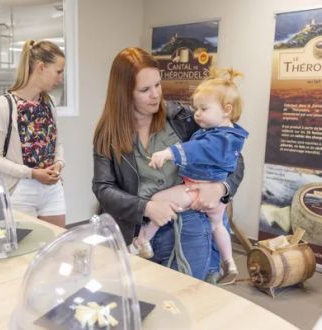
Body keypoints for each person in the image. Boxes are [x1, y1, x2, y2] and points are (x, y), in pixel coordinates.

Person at [92, 47, 245, 281]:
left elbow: (231, 155)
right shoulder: (108, 133)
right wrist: (146, 207)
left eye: (158, 84)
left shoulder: (182, 117)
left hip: (189, 226)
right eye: (145, 89)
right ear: (124, 93)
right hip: (138, 232)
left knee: (190, 295)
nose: (155, 94)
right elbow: (103, 188)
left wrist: (221, 188)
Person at [142, 68, 248, 285]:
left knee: (159, 201)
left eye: (203, 109)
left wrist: (167, 153)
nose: (197, 114)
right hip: (211, 196)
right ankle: (230, 261)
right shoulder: (227, 132)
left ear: (227, 110)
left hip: (197, 189)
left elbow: (193, 150)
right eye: (195, 108)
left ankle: (143, 241)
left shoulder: (216, 137)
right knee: (217, 225)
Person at [0, 40, 66, 227]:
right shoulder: (3, 105)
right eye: (59, 72)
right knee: (25, 250)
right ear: (41, 67)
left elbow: (57, 143)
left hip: (52, 188)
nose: (61, 78)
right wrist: (32, 173)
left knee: (55, 246)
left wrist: (59, 163)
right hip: (20, 189)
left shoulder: (49, 103)